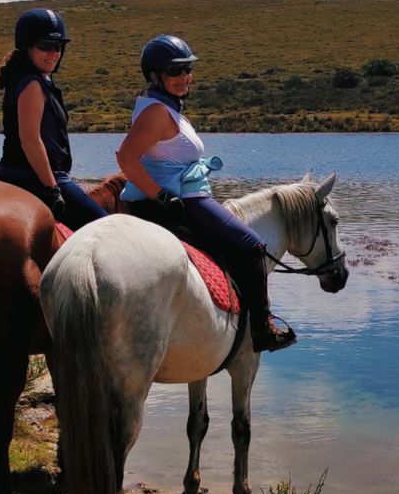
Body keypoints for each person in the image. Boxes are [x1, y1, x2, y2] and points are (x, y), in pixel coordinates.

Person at [115, 34, 296, 353]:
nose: (185, 76)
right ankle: (262, 330)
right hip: (180, 200)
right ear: (156, 76)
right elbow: (126, 157)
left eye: (187, 69)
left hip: (186, 194)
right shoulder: (157, 112)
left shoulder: (166, 108)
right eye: (175, 71)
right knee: (254, 249)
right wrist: (160, 196)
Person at [0, 8, 107, 229]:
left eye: (58, 47)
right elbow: (30, 140)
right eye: (46, 46)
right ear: (27, 46)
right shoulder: (33, 84)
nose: (54, 53)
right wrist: (53, 188)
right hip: (36, 179)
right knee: (108, 227)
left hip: (12, 173)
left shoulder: (21, 78)